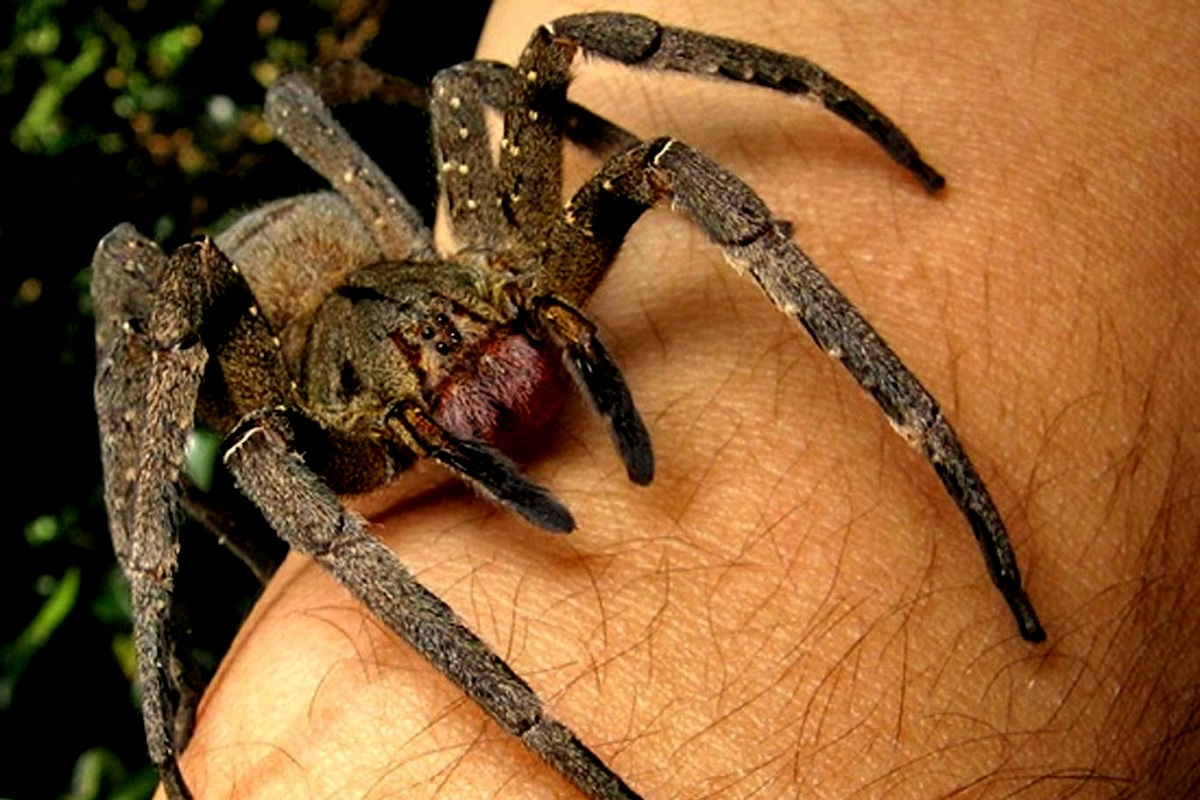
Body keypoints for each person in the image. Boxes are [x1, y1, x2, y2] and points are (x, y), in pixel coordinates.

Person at [174, 1, 1200, 796]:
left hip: (402, 249)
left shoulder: (508, 248)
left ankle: (960, 478)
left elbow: (499, 82)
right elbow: (217, 427)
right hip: (305, 368)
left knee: (534, 76)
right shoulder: (289, 431)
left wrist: (640, 129)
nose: (461, 352)